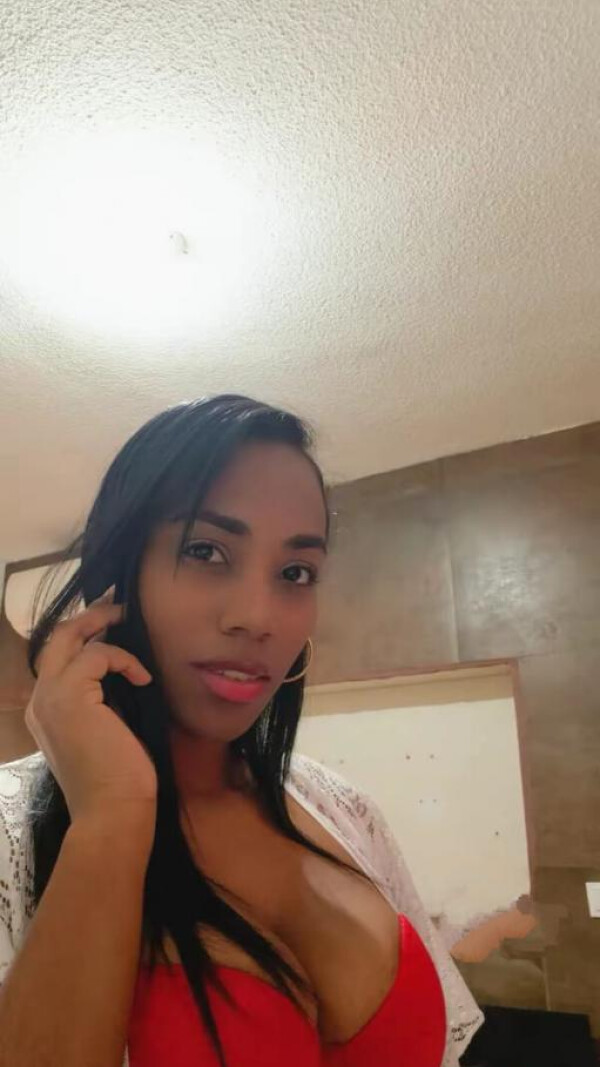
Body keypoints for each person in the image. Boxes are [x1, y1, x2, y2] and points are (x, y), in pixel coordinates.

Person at [0, 394, 483, 1067]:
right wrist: (109, 820)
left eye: (295, 572)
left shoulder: (346, 811)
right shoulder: (11, 832)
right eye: (206, 550)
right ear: (117, 579)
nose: (258, 617)